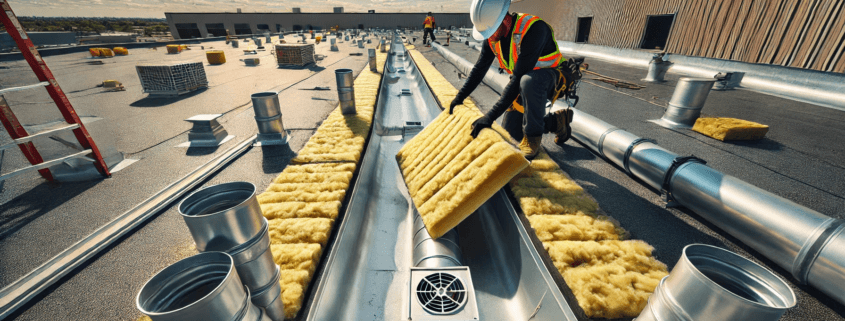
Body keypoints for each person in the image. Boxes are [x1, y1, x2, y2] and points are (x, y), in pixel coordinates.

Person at [450, 0, 574, 160]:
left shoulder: (533, 29)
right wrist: (459, 98)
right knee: (511, 135)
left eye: (492, 32)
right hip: (525, 85)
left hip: (552, 79)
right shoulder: (493, 37)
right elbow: (479, 69)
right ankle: (557, 122)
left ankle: (533, 138)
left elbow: (518, 78)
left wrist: (489, 116)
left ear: (505, 20)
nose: (491, 38)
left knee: (528, 81)